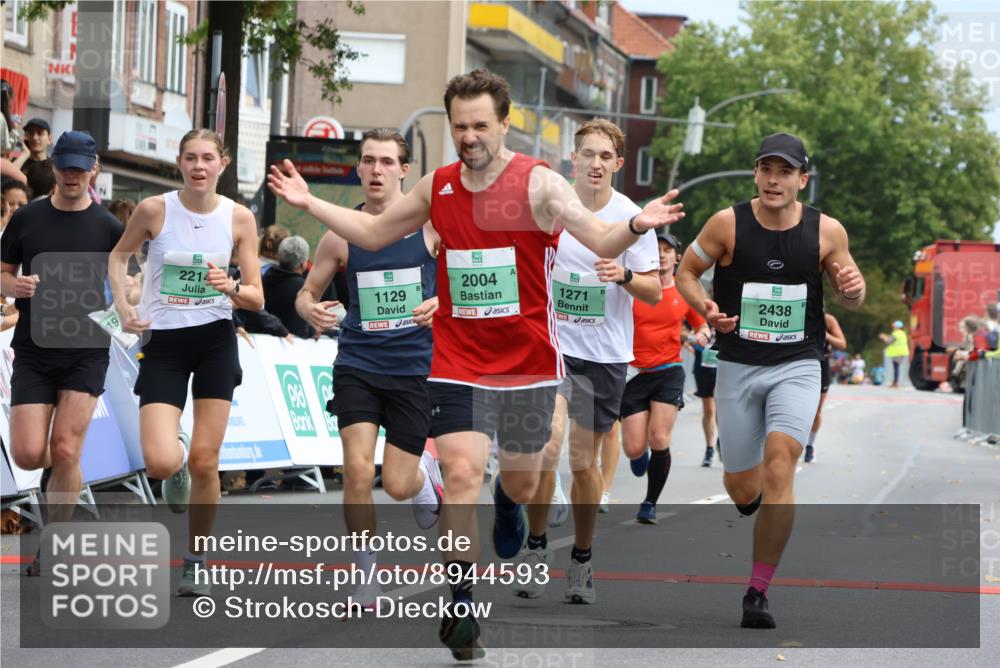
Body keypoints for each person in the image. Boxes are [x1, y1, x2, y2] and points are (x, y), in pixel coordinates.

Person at [269, 68, 685, 659]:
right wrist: (311, 201)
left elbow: (600, 238)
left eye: (480, 125)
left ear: (504, 123)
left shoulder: (538, 184)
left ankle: (513, 503)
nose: (469, 137)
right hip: (457, 361)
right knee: (461, 475)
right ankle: (461, 605)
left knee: (518, 477)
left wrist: (638, 223)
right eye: (460, 126)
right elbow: (373, 229)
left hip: (527, 367)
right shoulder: (437, 186)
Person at [675, 132, 866, 629]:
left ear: (803, 179)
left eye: (786, 172)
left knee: (781, 465)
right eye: (766, 169)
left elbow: (849, 295)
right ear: (756, 173)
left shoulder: (828, 231)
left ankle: (757, 591)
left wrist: (854, 289)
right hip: (738, 364)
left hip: (799, 364)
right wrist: (705, 309)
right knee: (743, 489)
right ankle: (751, 493)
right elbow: (685, 272)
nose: (774, 179)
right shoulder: (726, 223)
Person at [108, 128, 264, 597]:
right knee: (159, 462)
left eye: (208, 158)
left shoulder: (239, 218)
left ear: (223, 164)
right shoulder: (155, 209)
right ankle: (172, 465)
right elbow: (118, 259)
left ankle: (196, 558)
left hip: (216, 340)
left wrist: (230, 286)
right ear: (179, 163)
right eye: (191, 158)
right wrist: (123, 305)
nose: (199, 166)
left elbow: (256, 296)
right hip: (166, 344)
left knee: (206, 459)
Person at [510, 118, 661, 604]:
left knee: (582, 462)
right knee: (545, 448)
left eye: (605, 156)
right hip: (552, 348)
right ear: (573, 158)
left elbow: (655, 291)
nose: (595, 164)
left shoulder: (632, 217)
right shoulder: (553, 208)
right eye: (587, 154)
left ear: (618, 164)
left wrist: (622, 275)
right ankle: (535, 548)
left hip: (605, 356)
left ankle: (581, 557)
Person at [294, 128, 443, 610]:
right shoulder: (340, 235)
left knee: (397, 485)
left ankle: (424, 476)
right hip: (357, 362)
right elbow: (307, 292)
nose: (375, 170)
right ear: (358, 169)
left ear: (404, 170)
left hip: (415, 367)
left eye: (386, 161)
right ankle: (366, 578)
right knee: (357, 470)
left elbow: (465, 280)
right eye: (367, 161)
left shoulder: (431, 229)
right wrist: (307, 309)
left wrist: (441, 300)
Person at [0, 131, 124, 574]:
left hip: (87, 348)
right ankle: (64, 475)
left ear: (94, 169)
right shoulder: (27, 218)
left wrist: (126, 305)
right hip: (34, 347)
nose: (71, 175)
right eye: (64, 166)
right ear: (53, 166)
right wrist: (12, 286)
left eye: (80, 167)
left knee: (67, 447)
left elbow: (125, 283)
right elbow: (3, 271)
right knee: (31, 453)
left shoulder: (110, 227)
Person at [621, 231, 710, 524]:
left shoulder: (684, 293)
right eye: (655, 249)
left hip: (668, 372)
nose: (660, 254)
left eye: (666, 250)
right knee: (634, 448)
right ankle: (639, 456)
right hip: (634, 373)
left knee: (659, 437)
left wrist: (701, 335)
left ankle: (650, 503)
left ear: (677, 257)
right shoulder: (632, 288)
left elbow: (703, 325)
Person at [804, 311, 847, 462]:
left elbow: (842, 343)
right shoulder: (797, 314)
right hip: (799, 364)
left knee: (816, 411)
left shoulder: (828, 320)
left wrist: (826, 335)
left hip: (822, 364)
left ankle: (809, 446)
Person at [263, 235, 312, 338]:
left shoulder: (265, 278)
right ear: (303, 264)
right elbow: (302, 330)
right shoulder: (302, 287)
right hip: (290, 344)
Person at [19, 118, 55, 199]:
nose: (35, 137)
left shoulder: (56, 167)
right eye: (31, 133)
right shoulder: (18, 163)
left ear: (49, 139)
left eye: (40, 133)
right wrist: (24, 154)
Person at [879, 320, 908, 388]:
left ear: (897, 327)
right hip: (903, 352)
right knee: (897, 367)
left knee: (896, 368)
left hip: (897, 353)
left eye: (894, 326)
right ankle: (896, 382)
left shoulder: (896, 333)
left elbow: (889, 341)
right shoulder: (902, 333)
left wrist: (883, 337)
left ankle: (895, 382)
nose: (893, 327)